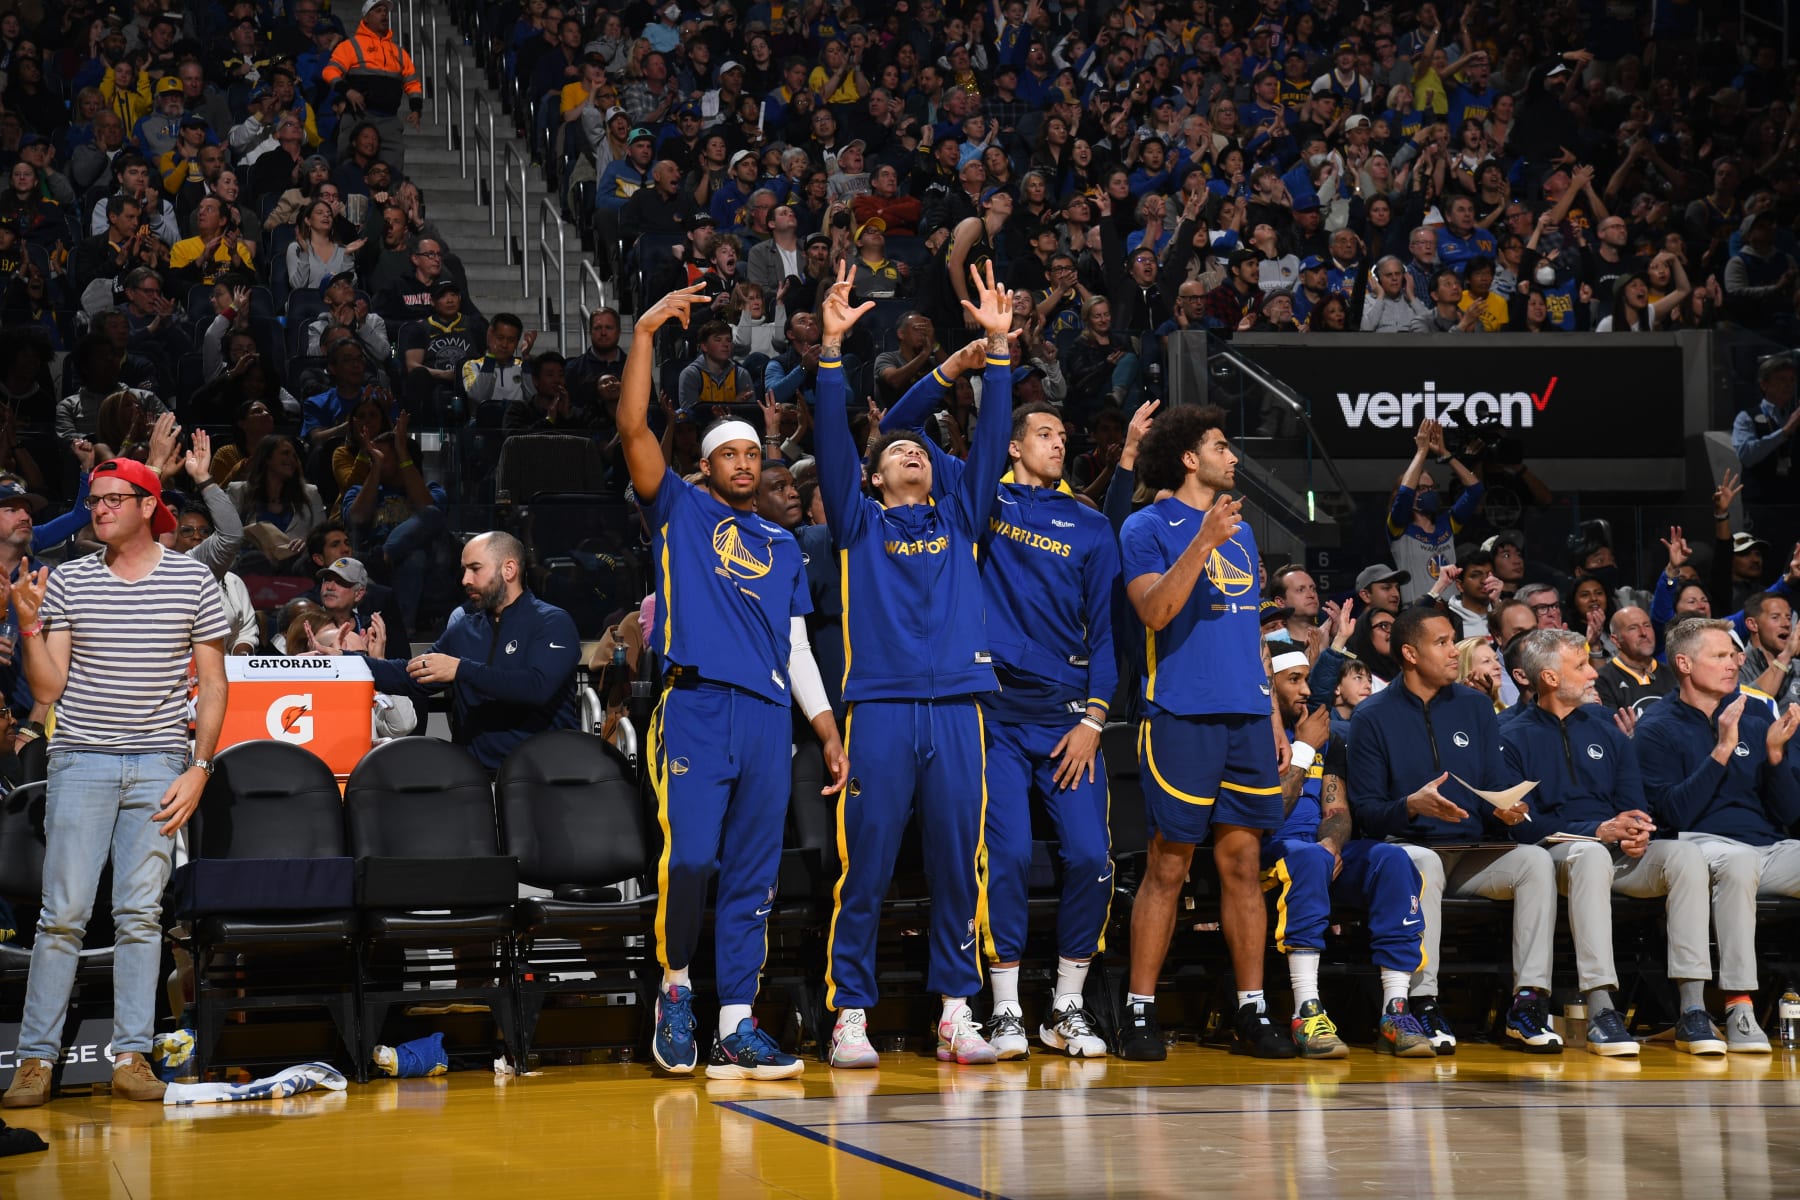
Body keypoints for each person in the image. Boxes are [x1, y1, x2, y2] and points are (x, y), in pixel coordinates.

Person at [617, 282, 847, 1081]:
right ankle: (676, 992)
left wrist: (825, 731)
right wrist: (645, 334)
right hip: (696, 704)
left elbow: (798, 647)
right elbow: (632, 427)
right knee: (691, 861)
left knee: (755, 874)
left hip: (768, 718)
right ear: (706, 465)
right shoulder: (679, 509)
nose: (746, 464)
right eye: (730, 455)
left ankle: (735, 1023)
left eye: (754, 454)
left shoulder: (785, 546)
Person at [877, 388, 1119, 1059]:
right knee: (1005, 857)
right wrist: (954, 369)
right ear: (1012, 446)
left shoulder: (1091, 524)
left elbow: (1106, 635)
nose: (1058, 442)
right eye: (1043, 433)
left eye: (1063, 435)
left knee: (1092, 857)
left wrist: (1095, 719)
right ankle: (1007, 1007)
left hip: (1069, 719)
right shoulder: (982, 494)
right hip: (995, 712)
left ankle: (1066, 1006)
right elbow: (897, 427)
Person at [813, 262, 1014, 1069]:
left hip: (960, 708)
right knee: (864, 870)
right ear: (871, 477)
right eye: (897, 450)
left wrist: (997, 351)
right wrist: (832, 353)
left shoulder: (963, 516)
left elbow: (990, 440)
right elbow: (838, 440)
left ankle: (956, 1013)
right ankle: (850, 1015)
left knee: (958, 869)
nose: (912, 454)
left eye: (922, 451)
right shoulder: (857, 524)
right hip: (882, 711)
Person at [0, 457, 228, 1109]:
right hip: (80, 758)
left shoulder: (193, 579)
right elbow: (48, 687)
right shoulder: (70, 578)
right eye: (94, 499)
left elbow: (214, 683)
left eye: (111, 499)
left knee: (140, 915)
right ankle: (35, 1061)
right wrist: (30, 623)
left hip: (160, 761)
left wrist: (200, 767)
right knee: (62, 915)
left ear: (148, 505)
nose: (97, 508)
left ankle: (132, 1056)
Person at [1116, 403, 1294, 1060]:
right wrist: (1203, 541)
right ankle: (1139, 1011)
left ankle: (1252, 1008)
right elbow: (1154, 612)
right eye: (1221, 446)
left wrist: (1273, 716)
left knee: (1244, 864)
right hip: (1180, 715)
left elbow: (1253, 636)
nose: (1233, 456)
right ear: (1190, 459)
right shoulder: (1145, 526)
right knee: (1169, 863)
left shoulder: (1239, 534)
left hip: (1246, 717)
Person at [1347, 605, 1562, 1055]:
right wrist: (1410, 806)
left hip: (1473, 848)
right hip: (1408, 848)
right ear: (1410, 654)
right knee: (1423, 863)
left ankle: (1528, 1003)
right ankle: (1422, 1002)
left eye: (1453, 640)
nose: (1453, 651)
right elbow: (1366, 812)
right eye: (1442, 643)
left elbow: (1493, 784)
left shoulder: (1475, 706)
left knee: (1535, 862)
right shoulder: (1371, 715)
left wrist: (1505, 809)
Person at [1501, 629, 1722, 1056]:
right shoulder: (1510, 736)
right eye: (1581, 666)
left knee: (1686, 856)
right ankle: (1602, 1007)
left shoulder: (1607, 728)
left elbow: (1634, 802)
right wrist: (1598, 830)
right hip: (1558, 857)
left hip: (1615, 851)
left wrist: (1636, 831)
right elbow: (1525, 826)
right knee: (1589, 856)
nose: (1593, 674)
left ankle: (1693, 1009)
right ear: (1549, 678)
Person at [1636, 618, 1800, 1053]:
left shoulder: (1755, 718)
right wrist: (1722, 749)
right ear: (1685, 664)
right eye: (1721, 656)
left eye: (1734, 655)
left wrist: (1775, 754)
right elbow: (1673, 813)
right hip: (1695, 847)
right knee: (1739, 863)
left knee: (1753, 860)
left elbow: (1788, 813)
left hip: (1765, 848)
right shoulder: (1656, 727)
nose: (1734, 663)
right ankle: (1739, 1006)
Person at [1267, 646, 1434, 1058]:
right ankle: (1306, 1011)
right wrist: (1303, 750)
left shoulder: (1330, 741)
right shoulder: (1253, 737)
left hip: (1320, 854)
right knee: (1309, 858)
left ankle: (1395, 1010)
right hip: (1266, 854)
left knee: (1393, 859)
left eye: (1307, 679)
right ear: (1269, 687)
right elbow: (1268, 816)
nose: (1306, 690)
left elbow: (1337, 810)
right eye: (1294, 681)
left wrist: (1333, 841)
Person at [362, 531, 579, 771]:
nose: (465, 579)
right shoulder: (465, 629)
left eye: (475, 569)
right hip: (479, 778)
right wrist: (344, 661)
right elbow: (409, 674)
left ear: (509, 570)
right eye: (464, 570)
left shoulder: (552, 622)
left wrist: (460, 669)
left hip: (545, 775)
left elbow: (537, 687)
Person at [321, 0, 422, 175]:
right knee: (349, 168)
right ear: (366, 17)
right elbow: (330, 71)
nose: (384, 14)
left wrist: (416, 108)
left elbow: (412, 82)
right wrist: (348, 91)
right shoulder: (351, 46)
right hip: (358, 116)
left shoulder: (398, 52)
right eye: (378, 10)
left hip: (389, 119)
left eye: (385, 11)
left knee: (393, 171)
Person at [1388, 420, 1483, 600]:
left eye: (1431, 488)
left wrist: (1445, 454)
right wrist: (1421, 452)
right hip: (1417, 610)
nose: (1428, 492)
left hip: (1451, 609)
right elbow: (1405, 494)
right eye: (1421, 488)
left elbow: (1475, 490)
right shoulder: (1399, 528)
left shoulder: (1447, 523)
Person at [1595, 606, 1674, 716]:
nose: (1643, 633)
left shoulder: (1674, 674)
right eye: (1633, 628)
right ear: (1616, 640)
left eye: (1647, 625)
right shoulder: (1602, 681)